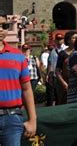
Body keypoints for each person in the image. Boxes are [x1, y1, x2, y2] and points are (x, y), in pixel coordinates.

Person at [0, 15, 36, 145]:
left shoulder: (18, 56)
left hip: (12, 119)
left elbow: (26, 89)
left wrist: (33, 120)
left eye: (4, 26)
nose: (0, 29)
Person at [55, 30, 77, 105]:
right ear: (68, 40)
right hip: (66, 83)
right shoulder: (62, 53)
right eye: (74, 38)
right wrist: (64, 83)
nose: (76, 39)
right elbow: (57, 70)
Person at [46, 33, 66, 106]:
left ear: (63, 40)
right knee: (57, 95)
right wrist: (48, 75)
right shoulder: (53, 51)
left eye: (60, 39)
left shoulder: (66, 49)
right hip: (55, 75)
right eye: (57, 39)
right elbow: (50, 63)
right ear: (55, 41)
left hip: (64, 75)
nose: (59, 41)